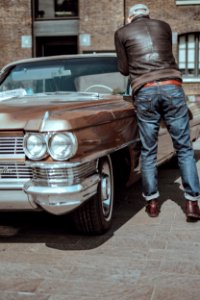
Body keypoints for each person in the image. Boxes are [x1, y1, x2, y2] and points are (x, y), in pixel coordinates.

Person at [114, 3, 200, 221]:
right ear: (148, 15)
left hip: (146, 90)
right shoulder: (164, 25)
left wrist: (126, 29)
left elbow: (124, 69)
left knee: (148, 150)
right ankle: (192, 203)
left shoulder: (122, 32)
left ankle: (152, 202)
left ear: (130, 17)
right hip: (172, 86)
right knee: (184, 148)